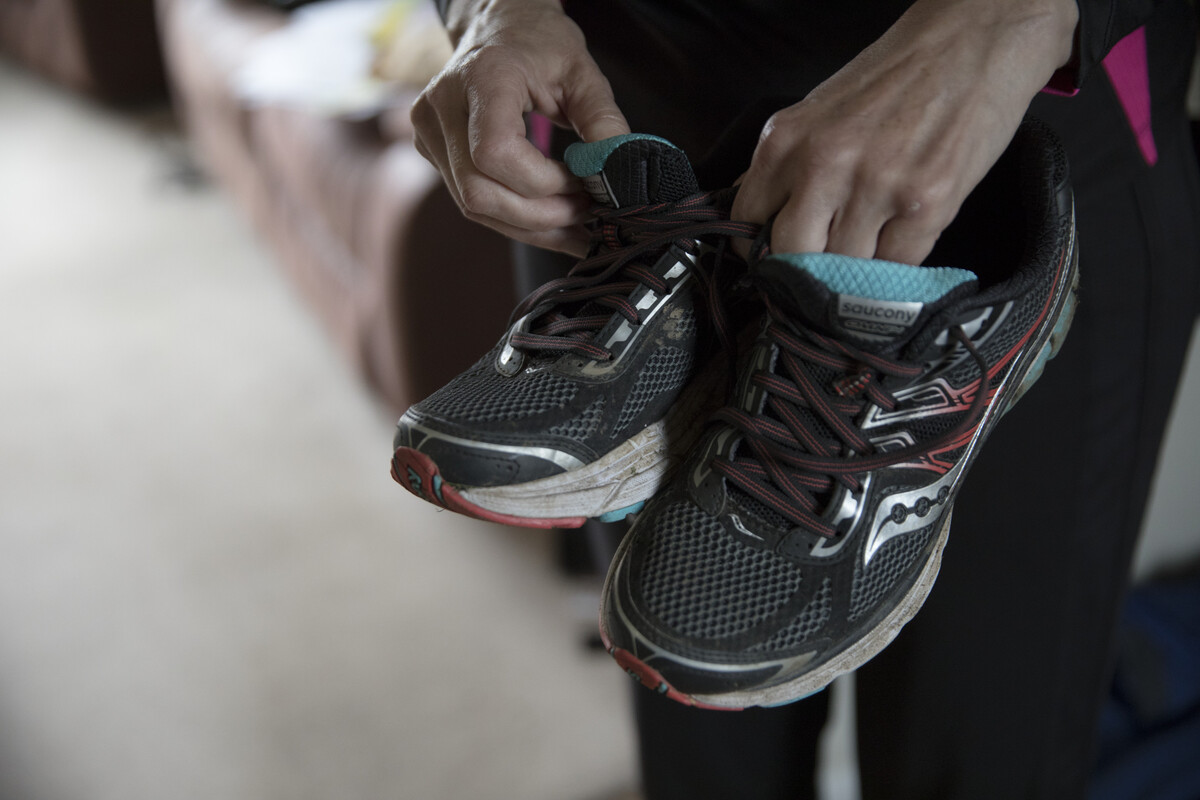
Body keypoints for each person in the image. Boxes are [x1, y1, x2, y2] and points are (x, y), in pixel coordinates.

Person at [411, 0, 1200, 797]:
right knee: (691, 685)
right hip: (639, 155)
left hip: (1013, 130)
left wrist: (1014, 16)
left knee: (976, 747)